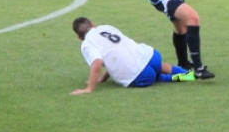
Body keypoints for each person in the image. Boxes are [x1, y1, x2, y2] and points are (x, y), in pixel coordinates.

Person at [70, 16, 213, 94]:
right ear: (93, 24)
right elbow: (117, 52)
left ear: (80, 37)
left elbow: (97, 63)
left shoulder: (87, 43)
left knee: (156, 77)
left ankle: (176, 77)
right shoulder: (105, 28)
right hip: (152, 56)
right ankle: (189, 74)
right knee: (158, 67)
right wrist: (102, 79)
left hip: (141, 74)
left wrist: (89, 89)